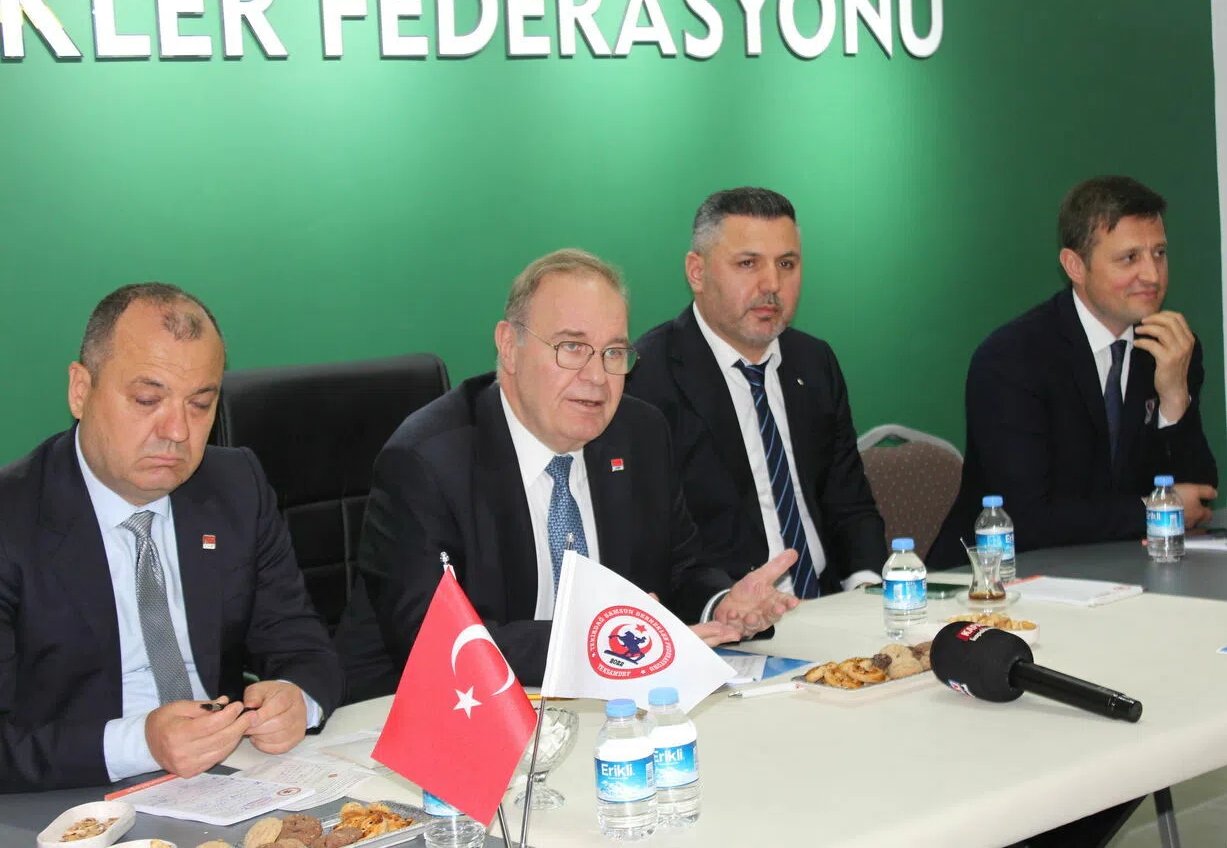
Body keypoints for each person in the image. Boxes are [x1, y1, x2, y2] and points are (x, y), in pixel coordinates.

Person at [338, 249, 797, 696]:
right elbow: (437, 638)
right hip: (429, 713)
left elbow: (678, 570)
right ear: (509, 347)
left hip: (602, 707)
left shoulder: (639, 434)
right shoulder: (429, 462)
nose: (597, 376)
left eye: (613, 352)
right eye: (572, 347)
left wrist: (722, 605)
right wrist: (594, 643)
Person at [0, 284, 341, 792]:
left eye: (200, 404)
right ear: (80, 390)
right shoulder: (13, 519)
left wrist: (296, 700)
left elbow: (304, 645)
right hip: (67, 797)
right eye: (148, 400)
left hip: (228, 781)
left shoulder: (235, 486)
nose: (178, 431)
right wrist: (141, 744)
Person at [929, 176, 1219, 569]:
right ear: (1075, 266)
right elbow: (1027, 518)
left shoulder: (1171, 347)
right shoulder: (1012, 359)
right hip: (994, 578)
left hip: (1121, 569)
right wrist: (1153, 511)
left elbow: (1198, 497)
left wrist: (1174, 398)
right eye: (1129, 258)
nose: (1153, 275)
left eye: (1160, 253)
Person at [626, 187, 887, 620]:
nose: (771, 285)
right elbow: (652, 546)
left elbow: (850, 503)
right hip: (727, 622)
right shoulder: (647, 378)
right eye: (748, 264)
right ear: (697, 272)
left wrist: (865, 592)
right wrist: (721, 606)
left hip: (829, 607)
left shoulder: (813, 362)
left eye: (786, 264)